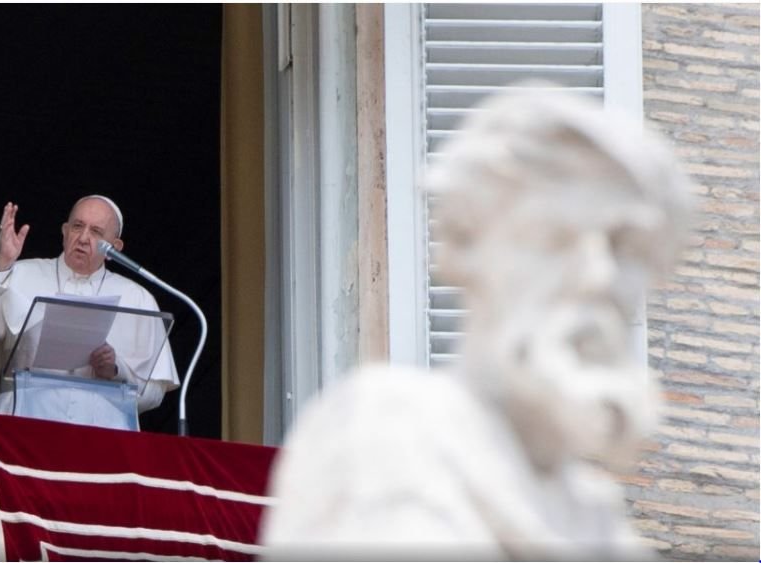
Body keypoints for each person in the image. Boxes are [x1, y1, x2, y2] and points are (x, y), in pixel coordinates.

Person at [259, 88, 691, 560]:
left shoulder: (594, 515)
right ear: (460, 243)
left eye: (624, 246)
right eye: (554, 237)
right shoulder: (392, 430)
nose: (597, 276)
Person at [0, 195, 179, 428]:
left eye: (96, 232)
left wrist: (115, 370)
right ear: (64, 231)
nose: (83, 238)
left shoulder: (138, 299)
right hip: (22, 426)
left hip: (102, 437)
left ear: (114, 247)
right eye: (77, 226)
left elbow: (154, 394)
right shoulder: (17, 273)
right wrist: (2, 262)